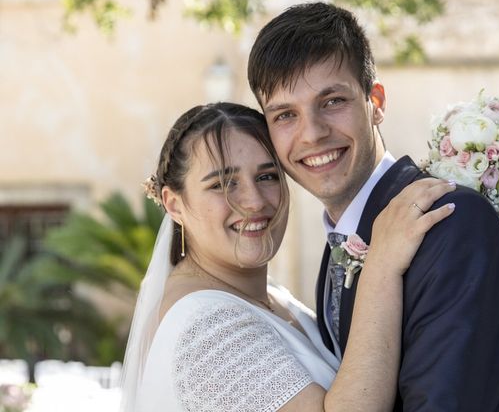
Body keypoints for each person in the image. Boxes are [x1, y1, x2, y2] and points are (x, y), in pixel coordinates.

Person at [247, 2, 499, 411]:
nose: (312, 134)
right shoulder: (340, 248)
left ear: (375, 101)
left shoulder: (451, 224)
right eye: (286, 115)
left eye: (332, 102)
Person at [120, 102, 456, 411]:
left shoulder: (273, 298)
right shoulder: (203, 328)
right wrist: (381, 264)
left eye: (266, 176)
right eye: (223, 184)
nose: (253, 201)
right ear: (174, 204)